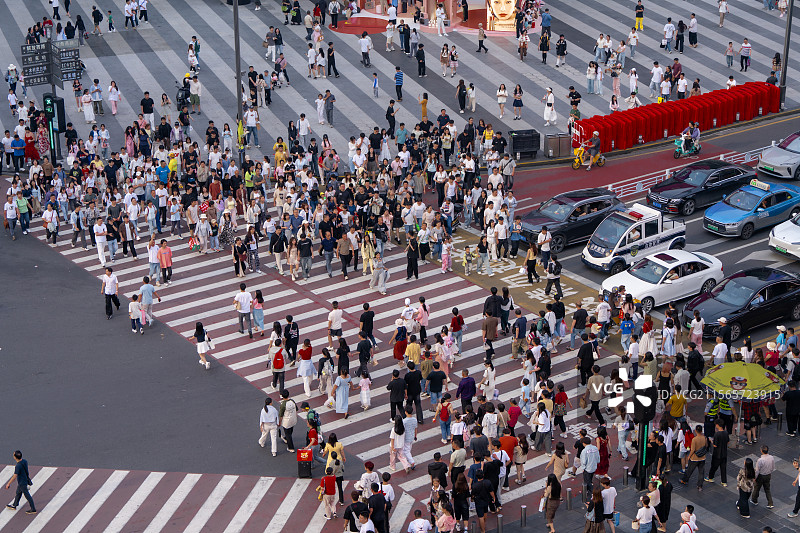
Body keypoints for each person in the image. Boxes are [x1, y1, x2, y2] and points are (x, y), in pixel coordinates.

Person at [4, 450, 36, 514]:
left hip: (22, 482)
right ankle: (14, 505)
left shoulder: (18, 466)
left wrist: (8, 483)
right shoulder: (24, 461)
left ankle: (33, 509)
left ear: (15, 457)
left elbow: (14, 476)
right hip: (24, 480)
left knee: (27, 495)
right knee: (18, 492)